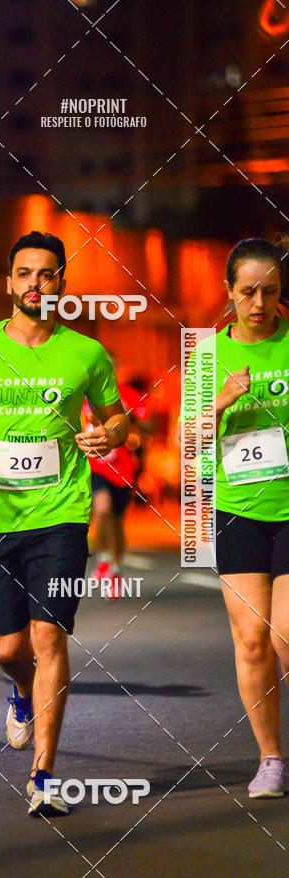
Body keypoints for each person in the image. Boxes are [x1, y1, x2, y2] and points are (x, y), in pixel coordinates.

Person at [0, 231, 127, 816]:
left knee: (48, 637)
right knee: (13, 647)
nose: (36, 283)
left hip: (61, 514)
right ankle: (19, 690)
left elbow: (120, 423)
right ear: (9, 282)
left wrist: (107, 435)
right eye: (25, 273)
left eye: (47, 273)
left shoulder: (86, 353)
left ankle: (44, 775)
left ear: (61, 282)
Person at [184, 238, 289, 799]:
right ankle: (271, 758)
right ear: (228, 292)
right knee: (251, 642)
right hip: (236, 510)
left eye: (269, 291)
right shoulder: (205, 354)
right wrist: (220, 401)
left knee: (286, 633)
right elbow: (187, 441)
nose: (258, 302)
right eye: (247, 291)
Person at [82, 357, 154, 594]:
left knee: (117, 521)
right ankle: (103, 558)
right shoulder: (83, 395)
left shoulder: (128, 395)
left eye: (110, 365)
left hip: (122, 467)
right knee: (101, 510)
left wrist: (131, 416)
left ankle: (114, 567)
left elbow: (149, 426)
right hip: (95, 465)